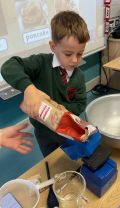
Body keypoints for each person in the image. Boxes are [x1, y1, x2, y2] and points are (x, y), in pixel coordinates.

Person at [1, 11, 90, 157]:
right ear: (53, 46)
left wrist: (57, 110)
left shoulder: (79, 76)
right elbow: (8, 67)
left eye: (79, 54)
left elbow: (80, 103)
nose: (75, 60)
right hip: (42, 131)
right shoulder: (41, 63)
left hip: (66, 130)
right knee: (50, 160)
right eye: (68, 54)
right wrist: (28, 88)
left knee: (68, 159)